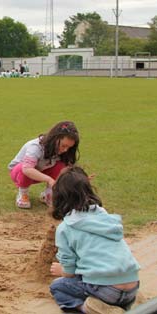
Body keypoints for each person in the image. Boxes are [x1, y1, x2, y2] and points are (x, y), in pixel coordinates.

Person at [49, 166, 140, 313]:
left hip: (107, 291)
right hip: (133, 285)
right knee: (94, 276)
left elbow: (69, 273)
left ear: (58, 196)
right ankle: (128, 303)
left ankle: (89, 308)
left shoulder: (65, 228)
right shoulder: (105, 217)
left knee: (57, 287)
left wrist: (62, 271)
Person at [8, 121, 79, 209]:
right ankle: (23, 194)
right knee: (24, 167)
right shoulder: (36, 146)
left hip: (41, 171)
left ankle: (48, 194)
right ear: (55, 138)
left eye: (69, 147)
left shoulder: (63, 151)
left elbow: (68, 167)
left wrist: (79, 178)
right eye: (63, 146)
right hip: (19, 173)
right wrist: (49, 179)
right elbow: (27, 169)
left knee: (62, 166)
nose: (65, 150)